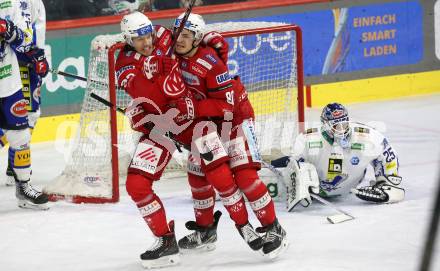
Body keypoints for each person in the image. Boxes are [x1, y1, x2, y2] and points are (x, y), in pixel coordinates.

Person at [116, 11, 265, 268]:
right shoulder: (125, 63)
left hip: (196, 121)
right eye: (139, 39)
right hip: (161, 126)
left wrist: (211, 43)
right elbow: (140, 90)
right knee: (136, 185)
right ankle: (165, 241)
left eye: (148, 35)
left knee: (218, 175)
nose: (147, 42)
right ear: (128, 39)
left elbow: (193, 45)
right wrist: (151, 76)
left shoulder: (163, 35)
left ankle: (244, 226)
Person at [171, 13, 288, 258]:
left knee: (244, 177)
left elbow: (226, 106)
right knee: (197, 176)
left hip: (234, 120)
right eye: (177, 33)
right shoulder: (173, 56)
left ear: (197, 38)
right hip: (205, 126)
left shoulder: (211, 63)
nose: (179, 39)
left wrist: (191, 110)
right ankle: (205, 231)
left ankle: (273, 228)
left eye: (186, 35)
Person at [270, 103, 405, 211]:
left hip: (350, 186)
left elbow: (386, 151)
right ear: (325, 125)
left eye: (344, 124)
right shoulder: (307, 139)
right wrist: (301, 184)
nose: (342, 130)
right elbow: (294, 165)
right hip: (318, 191)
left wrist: (385, 183)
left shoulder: (366, 136)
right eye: (336, 126)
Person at [0, 1, 49, 209]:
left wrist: (35, 54)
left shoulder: (10, 2)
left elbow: (22, 37)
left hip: (9, 81)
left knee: (21, 135)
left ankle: (24, 187)